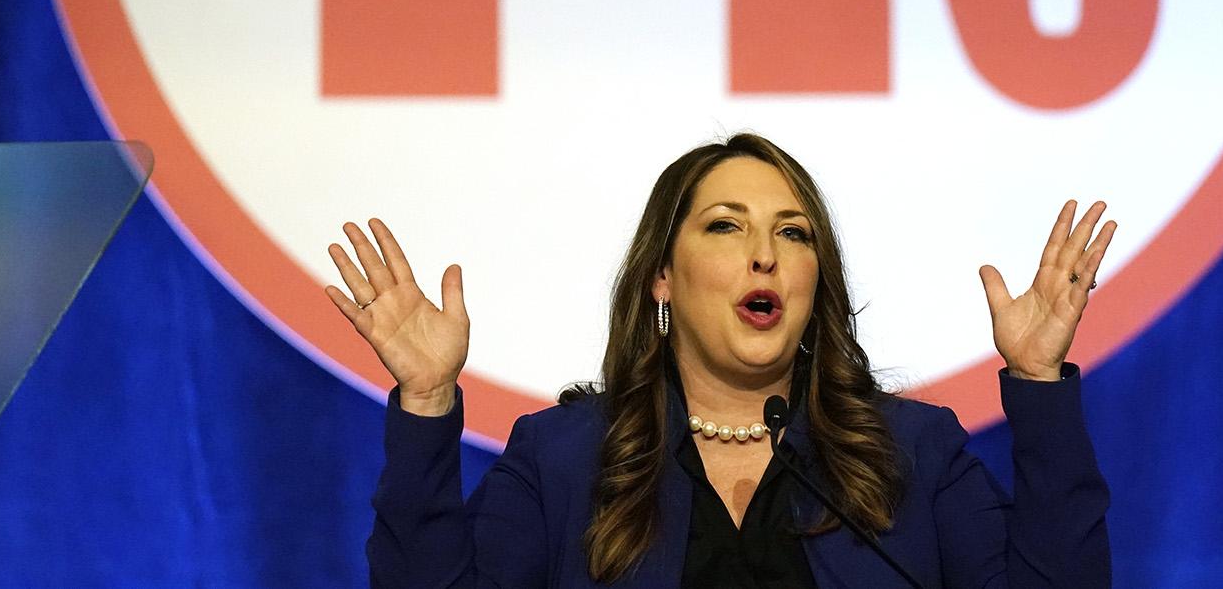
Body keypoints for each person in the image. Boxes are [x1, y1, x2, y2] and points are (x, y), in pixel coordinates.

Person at [327, 133, 1114, 588]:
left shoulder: (915, 452)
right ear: (662, 277)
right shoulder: (565, 458)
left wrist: (1039, 384)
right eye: (726, 228)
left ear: (816, 281)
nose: (765, 255)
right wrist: (428, 401)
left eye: (794, 233)